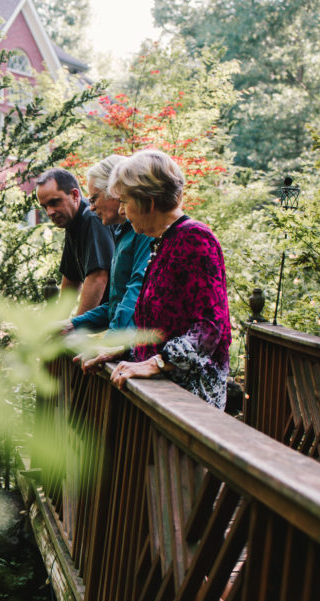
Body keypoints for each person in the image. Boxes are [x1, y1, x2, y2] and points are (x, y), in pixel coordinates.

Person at [82, 150, 231, 408]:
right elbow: (162, 325)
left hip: (190, 403)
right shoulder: (164, 241)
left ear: (148, 202)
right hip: (163, 396)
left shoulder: (195, 239)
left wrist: (156, 363)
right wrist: (126, 350)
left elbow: (209, 328)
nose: (121, 210)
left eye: (125, 201)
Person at [61, 155, 153, 334]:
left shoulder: (144, 232)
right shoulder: (121, 232)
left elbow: (134, 294)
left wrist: (112, 343)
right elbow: (115, 305)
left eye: (94, 199)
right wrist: (74, 324)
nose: (91, 207)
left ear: (115, 192)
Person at [35, 168, 113, 316]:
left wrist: (75, 328)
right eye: (45, 206)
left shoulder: (91, 217)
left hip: (119, 318)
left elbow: (98, 278)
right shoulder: (72, 222)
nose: (49, 212)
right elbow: (71, 278)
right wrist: (59, 320)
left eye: (54, 202)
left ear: (74, 195)